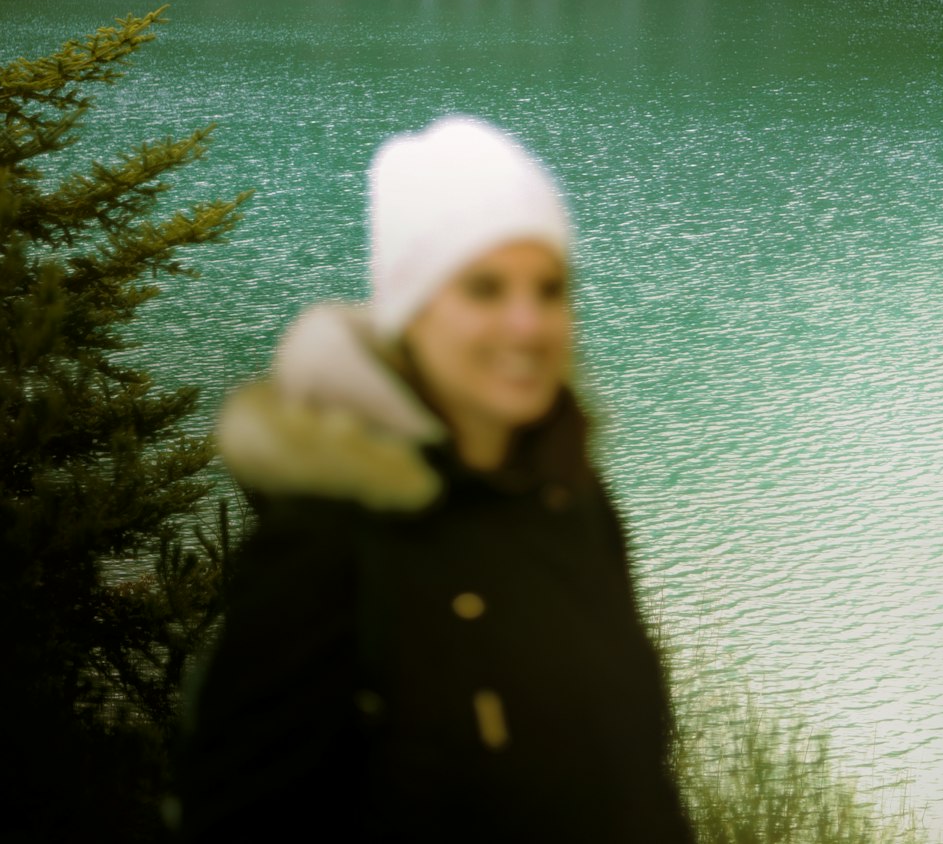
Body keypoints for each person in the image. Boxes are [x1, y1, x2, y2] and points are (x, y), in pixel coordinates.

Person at [178, 116, 694, 842]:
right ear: (409, 313)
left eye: (548, 289)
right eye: (484, 290)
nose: (527, 324)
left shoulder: (571, 498)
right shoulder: (328, 546)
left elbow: (640, 781)